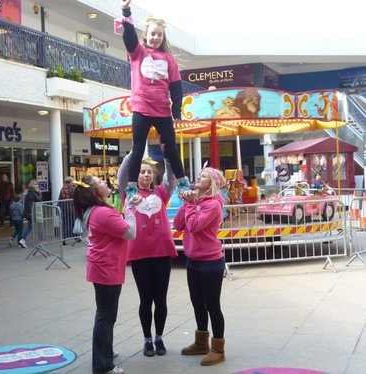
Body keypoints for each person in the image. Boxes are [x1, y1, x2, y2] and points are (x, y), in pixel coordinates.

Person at [117, 0, 190, 201]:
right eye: (152, 34)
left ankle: (182, 181)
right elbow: (129, 37)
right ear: (146, 35)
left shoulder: (169, 60)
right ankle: (131, 186)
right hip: (141, 108)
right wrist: (126, 11)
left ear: (163, 37)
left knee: (171, 148)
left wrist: (177, 113)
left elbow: (176, 88)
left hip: (163, 111)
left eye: (159, 34)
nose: (156, 37)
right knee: (138, 148)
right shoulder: (137, 52)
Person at [73, 175, 137, 374]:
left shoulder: (97, 211)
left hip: (103, 267)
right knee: (106, 316)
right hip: (106, 268)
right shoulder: (102, 213)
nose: (104, 182)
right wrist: (131, 210)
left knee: (106, 314)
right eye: (100, 182)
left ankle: (104, 351)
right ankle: (103, 364)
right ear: (94, 192)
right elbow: (130, 232)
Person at [117, 153, 177, 357]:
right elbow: (122, 176)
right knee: (145, 300)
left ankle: (159, 338)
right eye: (142, 171)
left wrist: (169, 157)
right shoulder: (129, 193)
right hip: (140, 254)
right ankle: (147, 340)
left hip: (162, 253)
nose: (145, 175)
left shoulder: (162, 193)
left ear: (154, 175)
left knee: (161, 300)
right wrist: (133, 154)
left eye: (149, 172)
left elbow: (171, 179)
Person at [173, 167, 227, 366]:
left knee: (212, 305)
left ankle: (218, 349)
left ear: (212, 183)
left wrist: (190, 205)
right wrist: (186, 203)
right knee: (197, 303)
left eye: (203, 176)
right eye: (199, 174)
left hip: (211, 262)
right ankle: (201, 342)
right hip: (193, 260)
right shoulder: (195, 202)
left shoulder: (213, 205)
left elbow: (194, 226)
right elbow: (179, 225)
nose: (198, 176)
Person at [19, 179, 42, 249]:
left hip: (29, 211)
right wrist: (39, 193)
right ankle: (22, 239)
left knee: (30, 226)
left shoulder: (30, 192)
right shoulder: (32, 192)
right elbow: (39, 199)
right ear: (31, 185)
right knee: (30, 226)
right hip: (30, 212)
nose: (36, 186)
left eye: (37, 184)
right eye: (35, 184)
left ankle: (22, 240)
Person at [58, 176, 75, 241]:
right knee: (73, 223)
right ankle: (75, 236)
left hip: (63, 208)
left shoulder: (63, 189)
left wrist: (58, 208)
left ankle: (64, 238)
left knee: (65, 223)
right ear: (71, 182)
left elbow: (59, 199)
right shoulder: (73, 189)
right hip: (72, 209)